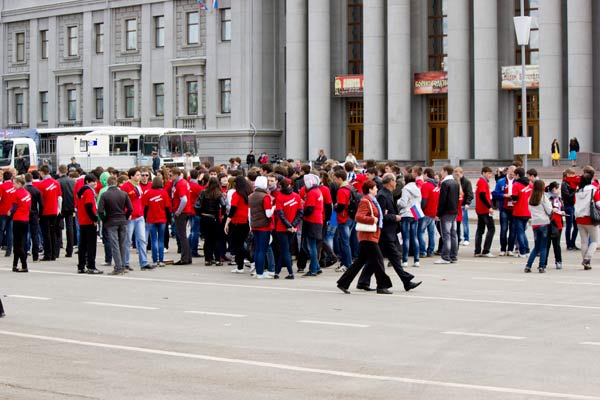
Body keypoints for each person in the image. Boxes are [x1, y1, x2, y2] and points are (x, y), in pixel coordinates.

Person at [357, 173, 422, 292]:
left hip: (388, 232)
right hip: (385, 232)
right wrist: (394, 217)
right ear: (390, 182)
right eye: (394, 180)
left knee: (375, 259)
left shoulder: (387, 194)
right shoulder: (382, 195)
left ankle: (363, 281)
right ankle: (406, 280)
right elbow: (381, 215)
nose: (396, 182)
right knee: (394, 257)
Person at [336, 180, 393, 294]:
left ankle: (343, 282)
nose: (377, 189)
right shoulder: (365, 201)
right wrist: (373, 219)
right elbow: (359, 216)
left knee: (360, 261)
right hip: (367, 236)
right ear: (370, 190)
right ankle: (381, 285)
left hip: (371, 235)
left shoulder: (372, 200)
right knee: (378, 260)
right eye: (375, 188)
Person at [98, 176, 133, 275]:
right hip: (122, 220)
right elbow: (130, 208)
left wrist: (105, 220)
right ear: (116, 183)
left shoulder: (105, 195)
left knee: (115, 245)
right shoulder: (123, 194)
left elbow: (100, 211)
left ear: (108, 184)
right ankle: (122, 265)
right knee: (122, 244)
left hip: (111, 221)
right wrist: (125, 217)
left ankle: (118, 267)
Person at [121, 168, 152, 270]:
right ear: (132, 176)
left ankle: (143, 262)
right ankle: (125, 263)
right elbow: (124, 201)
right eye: (138, 175)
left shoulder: (138, 186)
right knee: (127, 241)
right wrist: (127, 212)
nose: (140, 177)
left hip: (139, 215)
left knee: (142, 240)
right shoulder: (126, 186)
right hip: (130, 217)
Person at [273, 178, 302, 279]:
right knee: (286, 250)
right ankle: (277, 272)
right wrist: (293, 225)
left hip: (282, 228)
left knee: (285, 250)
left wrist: (289, 226)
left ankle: (290, 273)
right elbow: (300, 213)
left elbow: (280, 214)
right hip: (293, 228)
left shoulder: (279, 197)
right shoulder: (297, 196)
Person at [195, 177, 226, 266]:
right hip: (214, 218)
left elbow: (197, 205)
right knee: (216, 239)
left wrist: (200, 214)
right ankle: (217, 259)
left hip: (205, 218)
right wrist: (222, 214)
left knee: (207, 239)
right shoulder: (218, 194)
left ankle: (208, 259)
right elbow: (223, 204)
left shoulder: (203, 192)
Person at [224, 175, 252, 273]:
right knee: (241, 244)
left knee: (238, 245)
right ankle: (244, 264)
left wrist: (227, 223)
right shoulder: (248, 193)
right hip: (246, 221)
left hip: (237, 222)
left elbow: (233, 209)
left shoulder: (236, 194)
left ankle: (243, 265)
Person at [76, 174, 103, 274]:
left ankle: (81, 266)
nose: (95, 183)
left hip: (82, 221)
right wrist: (94, 218)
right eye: (93, 181)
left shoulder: (81, 192)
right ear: (87, 182)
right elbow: (89, 206)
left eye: (95, 181)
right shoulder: (89, 192)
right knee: (91, 245)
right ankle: (91, 266)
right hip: (89, 221)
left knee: (82, 245)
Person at [249, 176, 275, 279]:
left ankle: (257, 271)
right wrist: (274, 207)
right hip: (264, 226)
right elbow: (268, 214)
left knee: (257, 249)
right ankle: (260, 273)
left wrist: (251, 225)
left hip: (254, 225)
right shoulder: (266, 197)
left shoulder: (251, 196)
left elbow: (249, 212)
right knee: (262, 250)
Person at [143, 176, 172, 268]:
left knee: (153, 239)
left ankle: (155, 260)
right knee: (161, 240)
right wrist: (169, 219)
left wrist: (145, 218)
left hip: (151, 219)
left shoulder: (148, 193)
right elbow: (167, 208)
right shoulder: (164, 193)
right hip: (162, 219)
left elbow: (146, 208)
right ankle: (161, 260)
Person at [524, 180, 552, 273]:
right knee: (543, 246)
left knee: (536, 246)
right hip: (544, 222)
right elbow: (549, 210)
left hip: (535, 223)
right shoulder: (543, 197)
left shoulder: (530, 198)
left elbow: (529, 210)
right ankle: (541, 266)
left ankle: (528, 265)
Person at [574, 173, 600, 270]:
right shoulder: (594, 190)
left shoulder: (578, 191)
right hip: (590, 218)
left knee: (584, 241)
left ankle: (586, 262)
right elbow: (598, 204)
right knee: (594, 241)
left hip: (579, 218)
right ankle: (587, 258)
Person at [435, 165, 460, 264]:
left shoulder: (445, 183)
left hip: (446, 212)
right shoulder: (455, 182)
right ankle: (453, 255)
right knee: (453, 234)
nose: (441, 172)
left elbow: (442, 200)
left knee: (446, 235)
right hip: (454, 211)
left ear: (445, 171)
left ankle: (445, 256)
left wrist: (438, 213)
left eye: (442, 170)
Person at [397, 173, 422, 267]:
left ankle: (405, 260)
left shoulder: (405, 189)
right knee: (414, 237)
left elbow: (403, 203)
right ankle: (416, 260)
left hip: (406, 213)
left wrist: (398, 201)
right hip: (415, 212)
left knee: (406, 238)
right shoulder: (417, 188)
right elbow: (419, 201)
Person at [38, 165, 62, 261]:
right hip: (54, 210)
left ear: (42, 173)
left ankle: (48, 254)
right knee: (53, 232)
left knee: (46, 233)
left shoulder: (41, 184)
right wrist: (58, 209)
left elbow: (40, 200)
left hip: (45, 211)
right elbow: (60, 197)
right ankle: (54, 254)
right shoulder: (56, 183)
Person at [170, 167, 193, 265]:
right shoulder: (183, 182)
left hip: (182, 212)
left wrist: (178, 211)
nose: (170, 177)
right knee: (184, 235)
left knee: (182, 235)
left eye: (171, 175)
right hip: (186, 211)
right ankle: (187, 257)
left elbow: (184, 199)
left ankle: (185, 258)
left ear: (176, 175)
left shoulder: (180, 184)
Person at [492, 166, 516, 256]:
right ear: (507, 171)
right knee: (504, 229)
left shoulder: (516, 182)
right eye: (511, 171)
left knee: (513, 229)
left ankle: (510, 249)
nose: (512, 173)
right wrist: (504, 195)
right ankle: (503, 248)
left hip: (514, 208)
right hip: (504, 208)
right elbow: (495, 194)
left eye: (514, 172)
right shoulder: (501, 181)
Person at [474, 166, 496, 257]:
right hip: (484, 209)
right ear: (483, 173)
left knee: (480, 229)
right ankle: (486, 250)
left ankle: (477, 250)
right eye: (488, 173)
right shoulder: (482, 182)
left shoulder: (481, 182)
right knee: (491, 228)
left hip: (480, 209)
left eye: (491, 173)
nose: (490, 175)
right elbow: (482, 195)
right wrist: (489, 207)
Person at [10, 177, 31, 273]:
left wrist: (9, 212)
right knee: (21, 242)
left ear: (19, 183)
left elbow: (14, 207)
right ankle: (14, 264)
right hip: (25, 219)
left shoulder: (16, 193)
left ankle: (24, 265)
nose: (13, 185)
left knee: (17, 244)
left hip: (18, 219)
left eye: (14, 183)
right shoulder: (27, 193)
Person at [512, 167, 532, 258]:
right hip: (528, 211)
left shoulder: (516, 185)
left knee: (520, 232)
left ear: (518, 175)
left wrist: (513, 201)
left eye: (515, 175)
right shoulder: (529, 185)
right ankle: (527, 250)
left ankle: (522, 251)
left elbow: (514, 199)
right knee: (523, 232)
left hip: (519, 211)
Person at [419, 168, 439, 258]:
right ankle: (430, 250)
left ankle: (422, 251)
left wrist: (421, 210)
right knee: (431, 232)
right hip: (433, 212)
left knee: (421, 232)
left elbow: (424, 200)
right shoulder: (436, 186)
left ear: (426, 174)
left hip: (426, 212)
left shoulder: (425, 185)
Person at [57, 165, 75, 258]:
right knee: (70, 228)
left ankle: (57, 248)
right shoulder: (72, 181)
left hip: (61, 207)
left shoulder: (58, 182)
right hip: (70, 207)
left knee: (58, 228)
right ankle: (70, 250)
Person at [24, 173, 42, 262]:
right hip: (34, 213)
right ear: (32, 180)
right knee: (35, 235)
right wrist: (40, 214)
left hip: (25, 214)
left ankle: (25, 253)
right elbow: (41, 204)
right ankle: (35, 256)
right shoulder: (36, 190)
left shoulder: (23, 190)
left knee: (24, 234)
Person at [546, 181, 564, 269]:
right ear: (553, 189)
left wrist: (562, 211)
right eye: (558, 188)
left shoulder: (559, 198)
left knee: (556, 244)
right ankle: (544, 262)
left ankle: (558, 261)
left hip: (558, 223)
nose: (559, 190)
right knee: (547, 244)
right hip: (550, 223)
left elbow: (561, 208)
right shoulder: (548, 198)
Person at [561, 168, 580, 250]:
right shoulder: (564, 184)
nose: (573, 176)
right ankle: (569, 244)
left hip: (573, 206)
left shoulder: (572, 183)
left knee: (576, 226)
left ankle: (573, 243)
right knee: (569, 226)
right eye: (571, 174)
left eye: (574, 174)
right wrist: (575, 191)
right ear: (567, 175)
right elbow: (567, 196)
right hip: (568, 206)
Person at [454, 167, 473, 246]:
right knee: (457, 223)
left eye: (458, 173)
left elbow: (469, 193)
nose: (457, 174)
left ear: (462, 173)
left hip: (463, 204)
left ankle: (466, 238)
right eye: (455, 172)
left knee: (464, 222)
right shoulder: (454, 181)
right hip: (456, 205)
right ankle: (458, 237)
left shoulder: (466, 182)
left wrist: (467, 203)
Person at [0, 170, 16, 258]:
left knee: (1, 231)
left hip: (2, 211)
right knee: (10, 231)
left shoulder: (2, 186)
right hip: (12, 210)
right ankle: (9, 251)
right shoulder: (14, 186)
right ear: (11, 177)